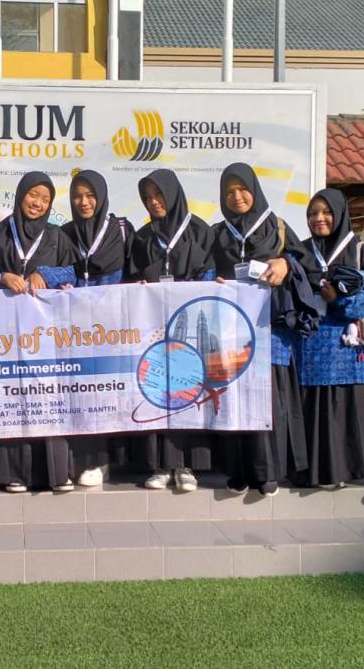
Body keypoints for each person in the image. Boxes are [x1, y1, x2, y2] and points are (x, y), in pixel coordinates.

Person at [211, 163, 320, 496]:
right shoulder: (218, 233)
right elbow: (203, 271)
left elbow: (310, 267)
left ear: (255, 190)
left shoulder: (278, 227)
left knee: (268, 399)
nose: (237, 197)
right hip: (231, 330)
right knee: (235, 398)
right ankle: (239, 469)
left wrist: (287, 263)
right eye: (229, 191)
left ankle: (269, 471)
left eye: (243, 189)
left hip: (269, 328)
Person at [0, 171, 79, 492]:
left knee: (48, 395)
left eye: (45, 199)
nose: (37, 203)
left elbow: (72, 272)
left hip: (47, 334)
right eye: (33, 195)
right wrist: (2, 277)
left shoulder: (57, 235)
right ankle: (14, 474)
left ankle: (56, 474)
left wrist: (44, 273)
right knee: (10, 396)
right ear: (21, 196)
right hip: (6, 332)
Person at [130, 169, 217, 491]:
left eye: (159, 194)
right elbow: (131, 278)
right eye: (147, 197)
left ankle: (187, 466)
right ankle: (159, 465)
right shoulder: (142, 237)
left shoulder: (201, 232)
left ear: (173, 193)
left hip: (191, 328)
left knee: (188, 392)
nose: (154, 202)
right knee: (156, 392)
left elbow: (211, 275)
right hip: (154, 330)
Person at [294, 188, 364, 487]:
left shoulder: (361, 252)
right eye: (312, 213)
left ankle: (344, 472)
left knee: (342, 408)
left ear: (341, 214)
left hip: (345, 348)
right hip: (308, 347)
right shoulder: (299, 252)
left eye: (326, 212)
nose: (318, 218)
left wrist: (338, 300)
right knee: (311, 409)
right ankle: (309, 473)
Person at [59, 169, 135, 488]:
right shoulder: (64, 233)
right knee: (81, 394)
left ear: (102, 196)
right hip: (76, 331)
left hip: (113, 331)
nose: (84, 202)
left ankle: (105, 461)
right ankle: (83, 460)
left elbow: (135, 272)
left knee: (108, 392)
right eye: (77, 196)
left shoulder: (122, 230)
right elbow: (58, 271)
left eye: (90, 195)